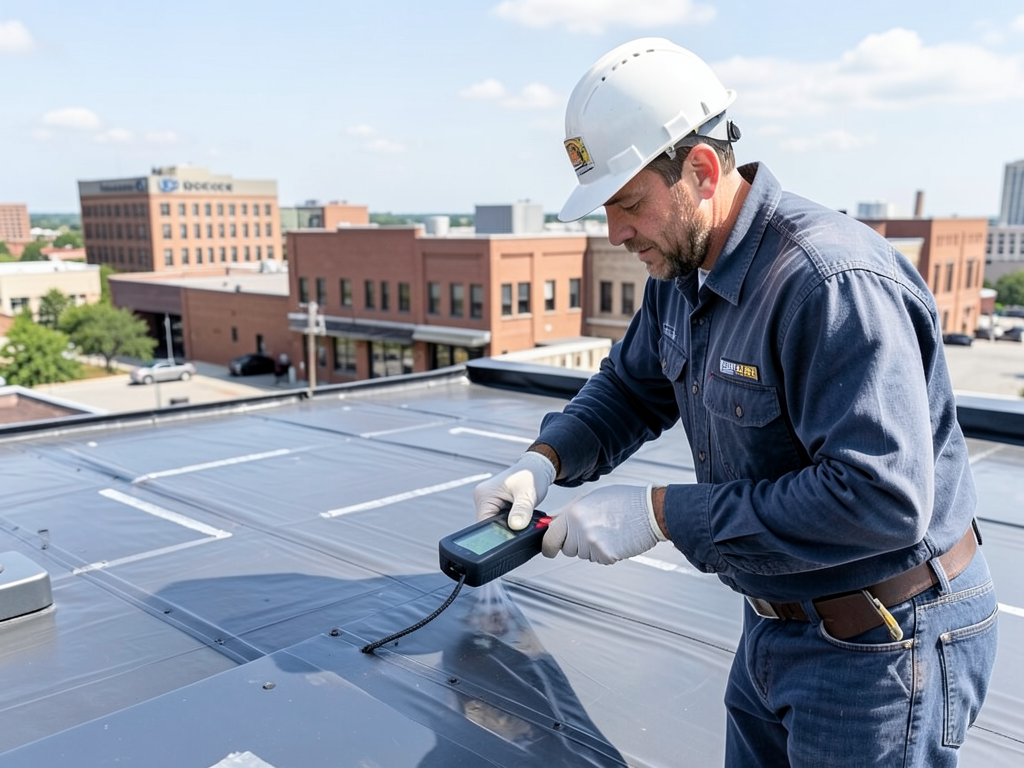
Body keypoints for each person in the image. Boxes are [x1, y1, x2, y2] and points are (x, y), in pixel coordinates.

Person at [473, 37, 998, 767]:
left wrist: (659, 515)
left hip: (881, 640)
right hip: (777, 624)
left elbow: (879, 499)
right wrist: (547, 458)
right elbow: (630, 387)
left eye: (629, 203)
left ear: (702, 169)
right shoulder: (681, 277)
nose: (616, 233)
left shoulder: (827, 284)